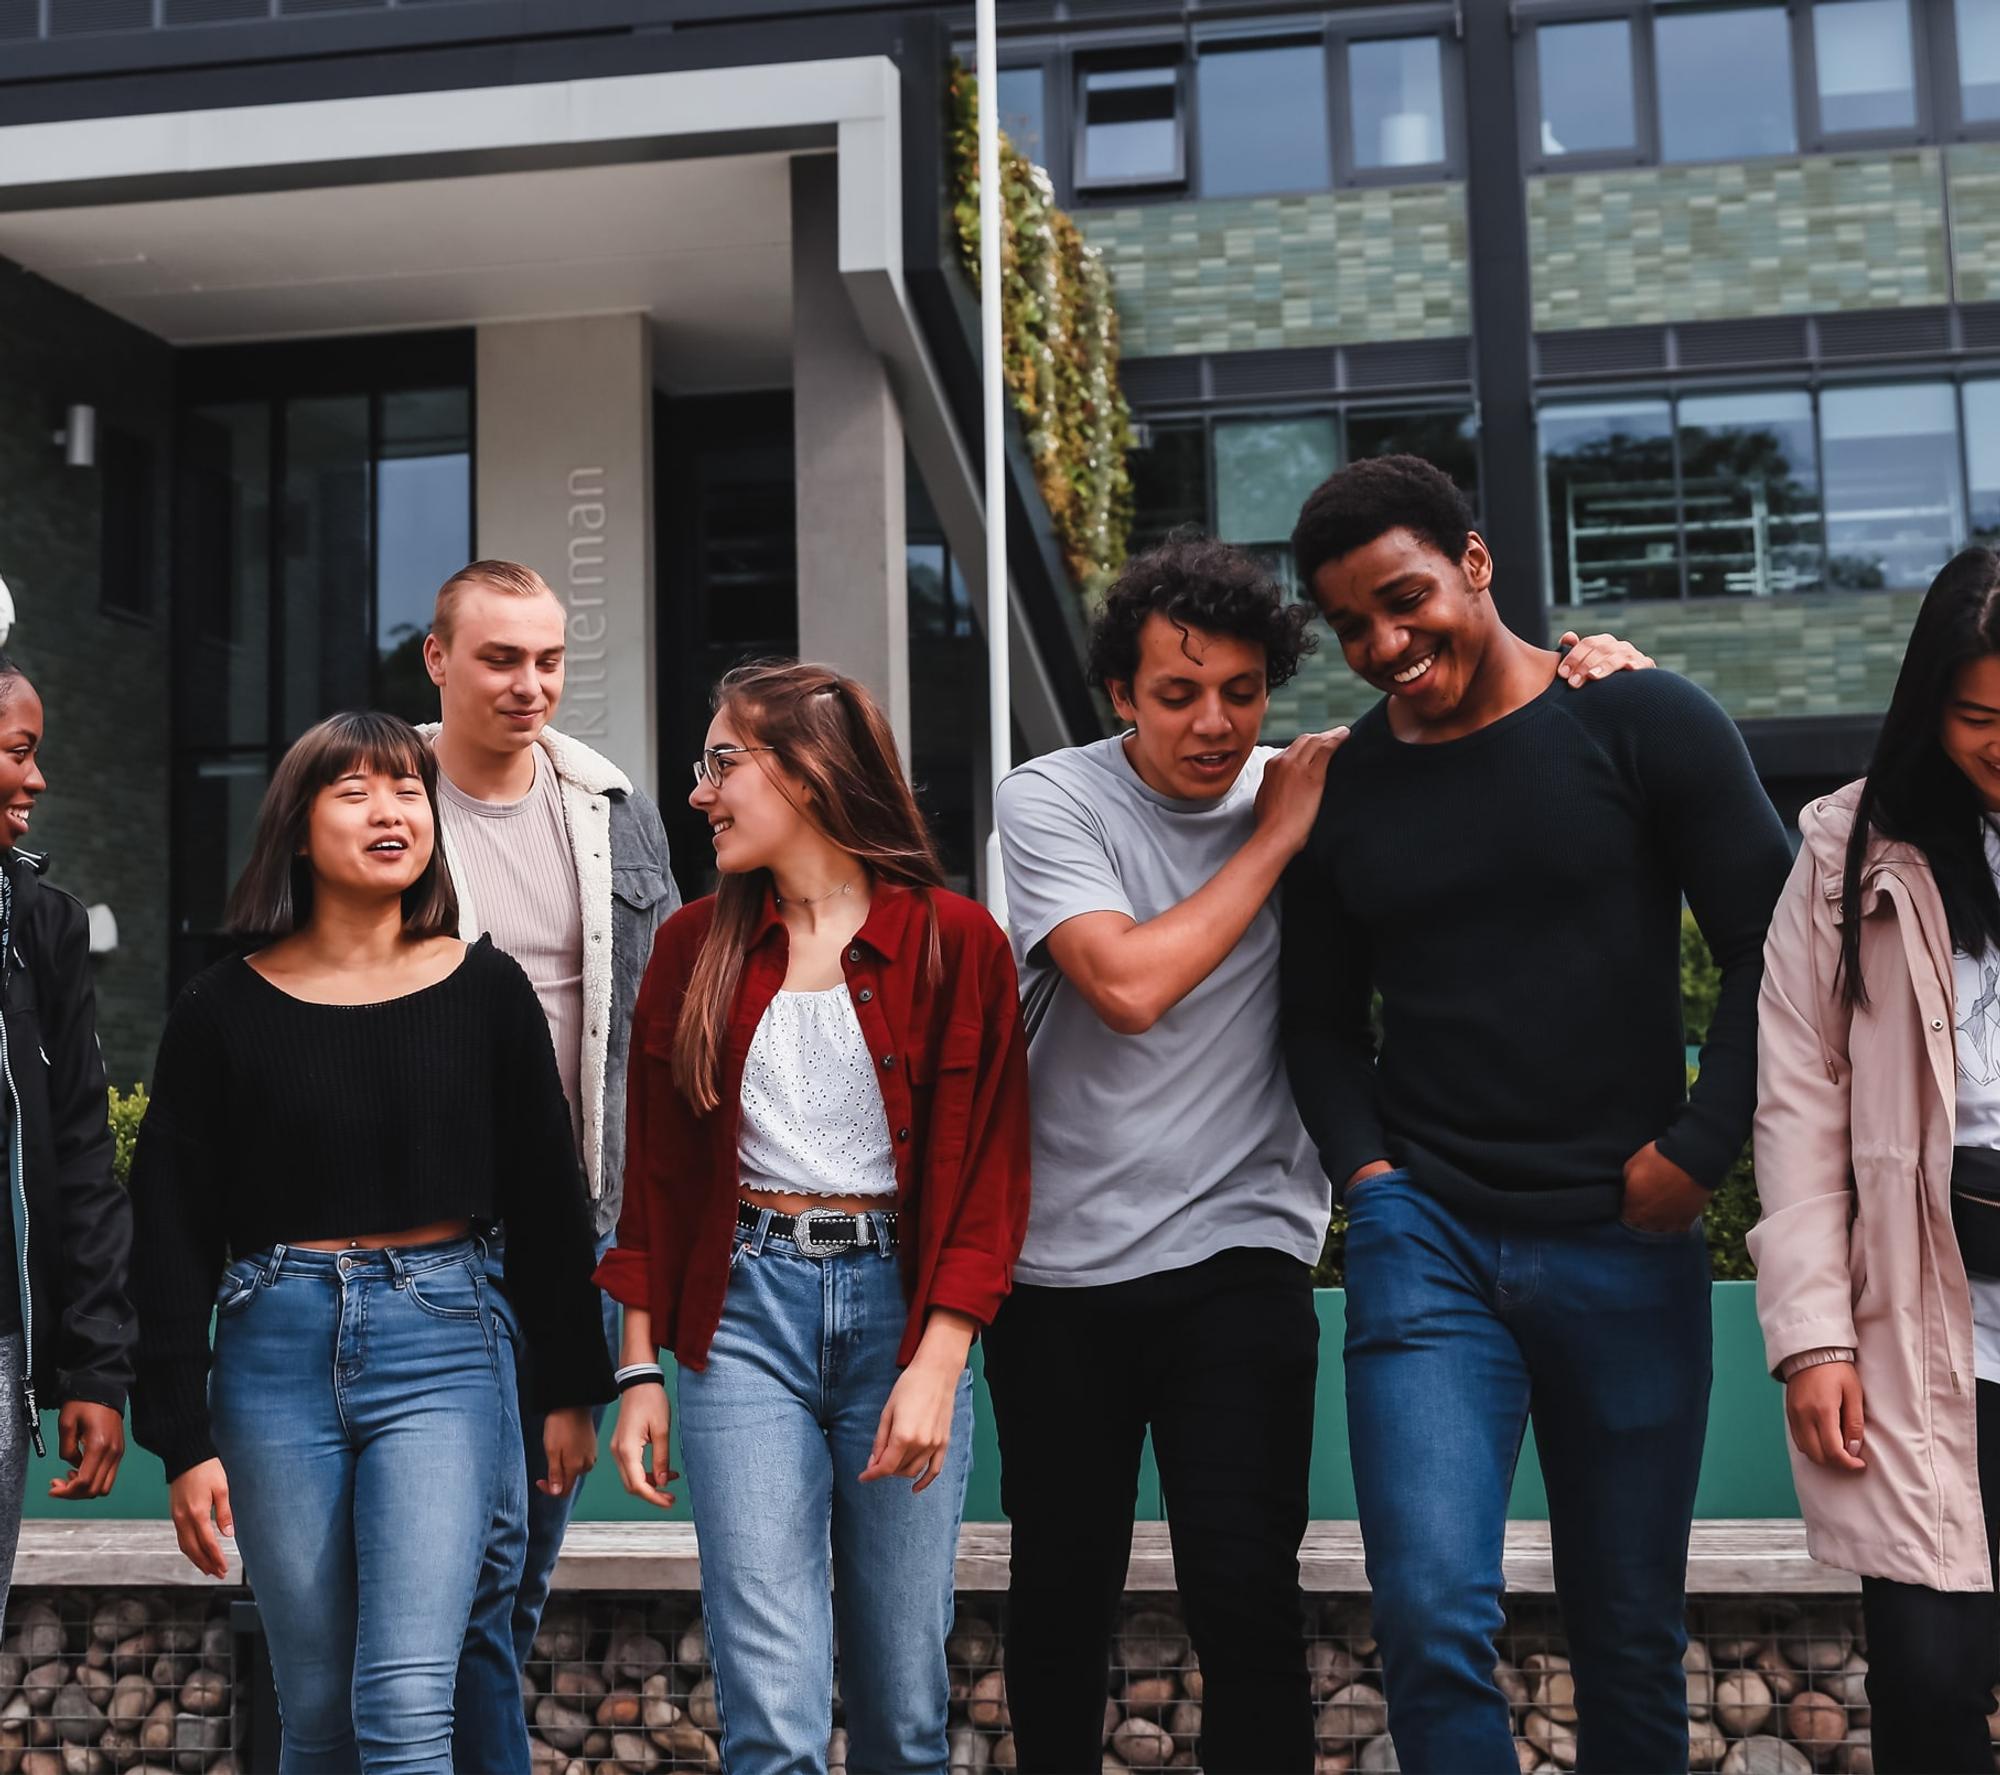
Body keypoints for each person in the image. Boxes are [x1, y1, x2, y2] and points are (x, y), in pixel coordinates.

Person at [988, 531, 1649, 1775]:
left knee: (1243, 1591)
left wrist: (1596, 670)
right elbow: (1126, 984)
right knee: (1059, 1586)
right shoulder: (1052, 798)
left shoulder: (1319, 781)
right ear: (1120, 694)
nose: (1213, 725)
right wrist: (1275, 837)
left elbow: (1479, 735)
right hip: (1057, 1269)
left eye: (1242, 693)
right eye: (1176, 694)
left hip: (1242, 1252)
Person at [1279, 455, 1792, 1774]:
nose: (1384, 644)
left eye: (1405, 600)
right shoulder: (1345, 788)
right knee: (1429, 1610)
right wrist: (1372, 1178)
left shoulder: (1641, 721)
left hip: (1628, 1240)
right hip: (1428, 1240)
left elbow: (1778, 944)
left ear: (1477, 562)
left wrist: (1701, 1147)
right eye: (1351, 627)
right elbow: (1322, 1020)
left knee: (1628, 1624)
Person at [129, 711, 614, 1774]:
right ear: (297, 830)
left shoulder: (486, 988)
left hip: (443, 1340)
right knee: (317, 1710)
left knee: (403, 1705)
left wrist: (571, 1383)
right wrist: (180, 1435)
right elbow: (169, 1226)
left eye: (407, 787)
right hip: (271, 1350)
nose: (390, 808)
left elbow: (545, 1194)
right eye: (354, 790)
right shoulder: (217, 1009)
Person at [600, 662, 1029, 1775]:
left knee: (901, 1706)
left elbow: (989, 1176)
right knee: (771, 1716)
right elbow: (652, 1180)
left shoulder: (955, 941)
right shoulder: (691, 950)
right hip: (740, 1320)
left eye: (720, 763)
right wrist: (638, 1369)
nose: (698, 793)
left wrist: (938, 1361)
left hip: (900, 1316)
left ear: (806, 771)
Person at [416, 559, 678, 1774]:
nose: (531, 685)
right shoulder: (383, 791)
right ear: (437, 659)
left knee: (515, 1574)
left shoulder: (613, 803)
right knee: (467, 1571)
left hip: (569, 1231)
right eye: (500, 658)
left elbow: (660, 1029)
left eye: (549, 660)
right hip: (421, 1236)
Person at [1752, 547, 2000, 1774]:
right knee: (1930, 1681)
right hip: (1915, 1327)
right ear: (1926, 703)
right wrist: (1812, 1337)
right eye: (1977, 716)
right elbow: (1795, 1106)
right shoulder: (1846, 848)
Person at [0, 654, 132, 1627]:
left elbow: (84, 1150)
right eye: (19, 751)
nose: (37, 778)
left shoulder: (43, 926)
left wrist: (94, 1365)